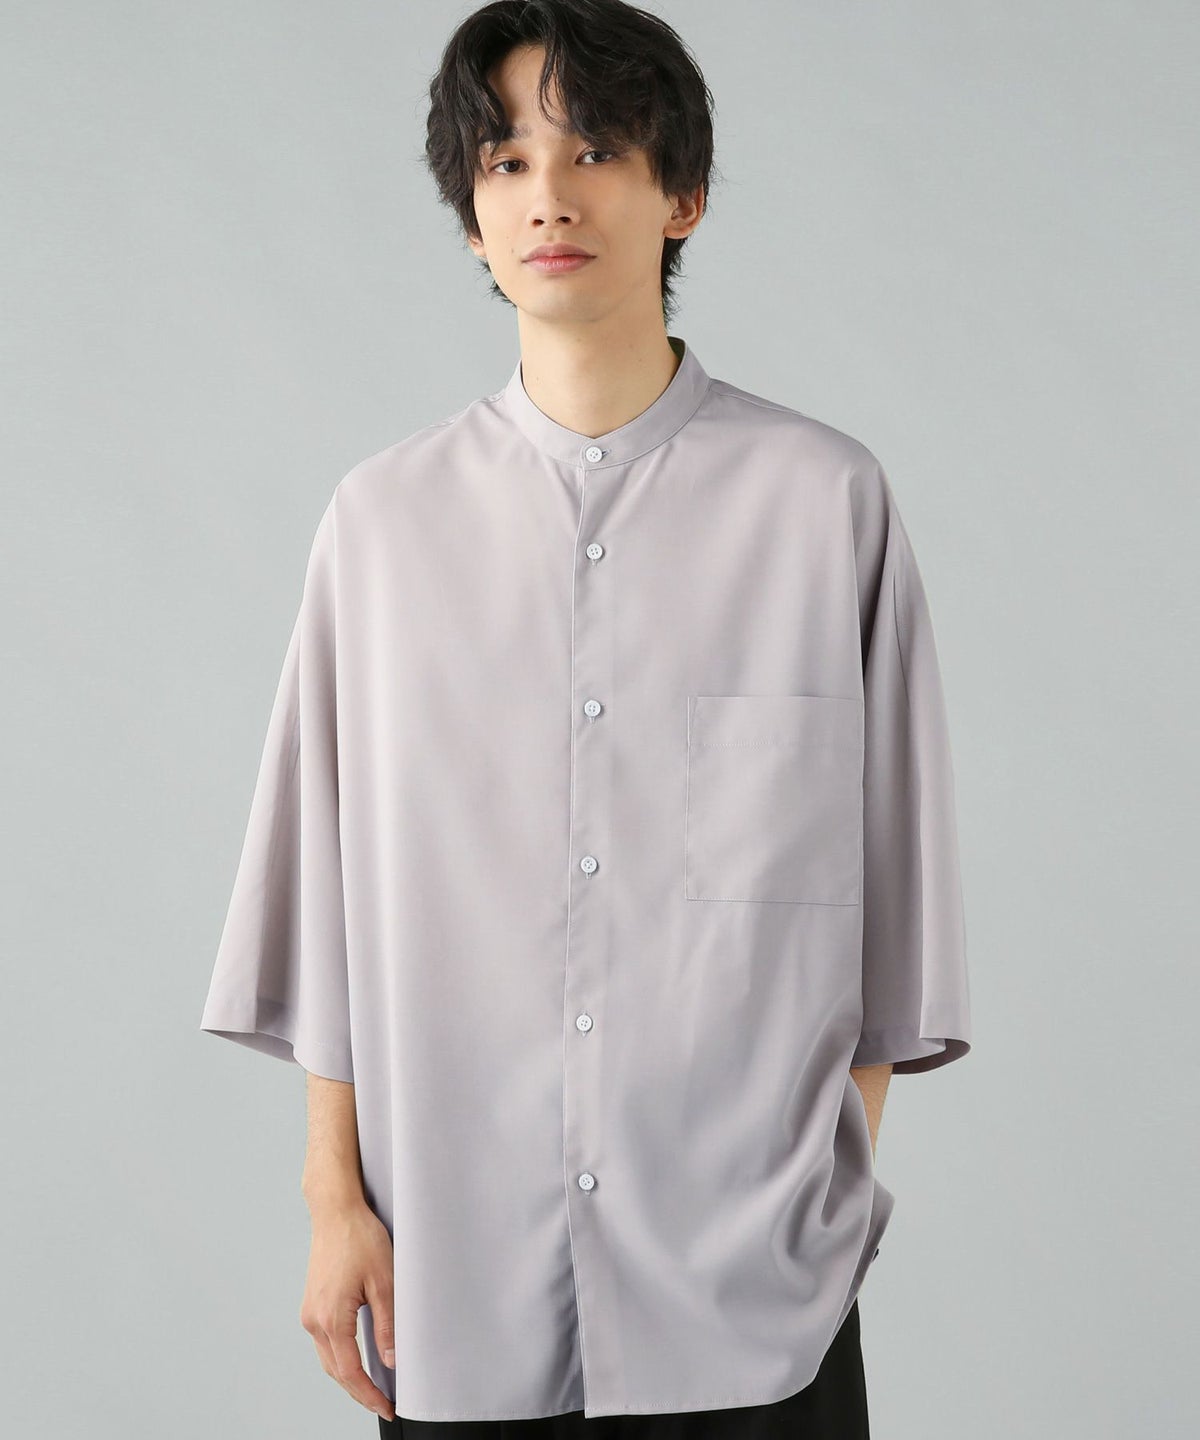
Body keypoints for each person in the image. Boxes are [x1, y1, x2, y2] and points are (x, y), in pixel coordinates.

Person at [198, 2, 972, 1435]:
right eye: (505, 162)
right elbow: (322, 909)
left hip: (752, 1302)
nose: (548, 194)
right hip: (454, 1282)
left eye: (597, 148)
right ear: (472, 220)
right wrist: (332, 1204)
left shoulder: (825, 507)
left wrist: (824, 1206)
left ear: (683, 195)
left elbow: (894, 907)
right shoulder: (380, 528)